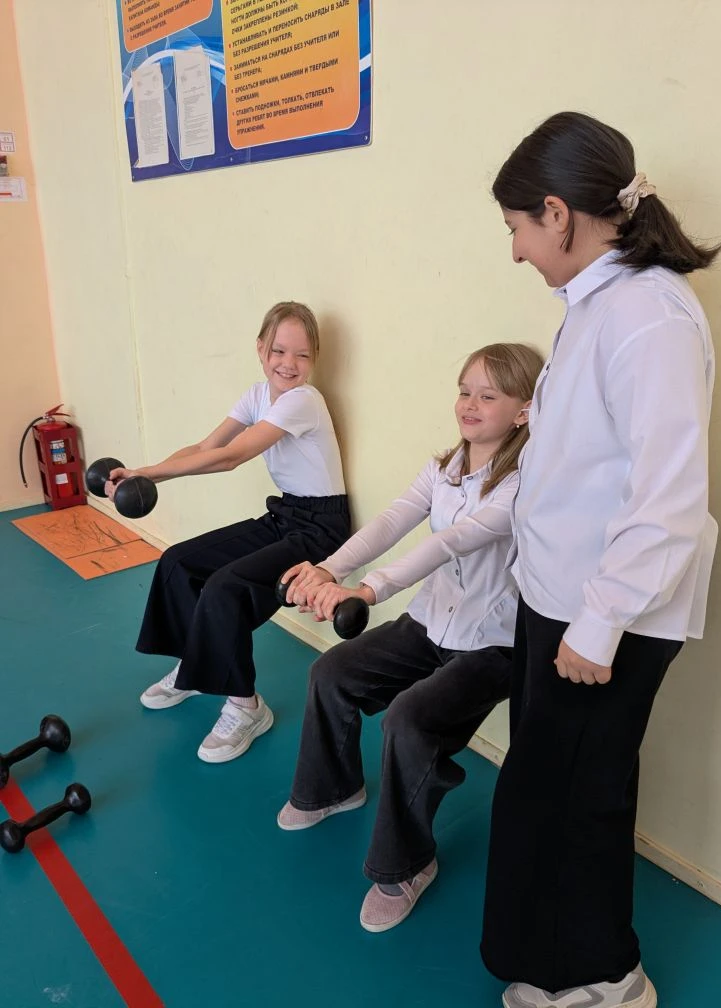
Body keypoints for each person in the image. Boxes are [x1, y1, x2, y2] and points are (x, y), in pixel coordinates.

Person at [480, 112, 721, 1008]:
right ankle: (560, 960)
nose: (515, 249)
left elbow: (669, 496)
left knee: (580, 799)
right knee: (552, 788)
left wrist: (599, 622)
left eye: (517, 227)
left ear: (558, 214)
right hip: (565, 603)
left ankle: (607, 980)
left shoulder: (649, 317)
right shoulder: (598, 304)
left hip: (602, 618)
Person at [276, 342, 543, 933]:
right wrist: (328, 570)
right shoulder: (445, 467)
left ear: (524, 410)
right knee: (331, 672)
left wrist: (369, 591)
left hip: (493, 643)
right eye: (464, 390)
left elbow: (451, 541)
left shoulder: (526, 482)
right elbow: (393, 520)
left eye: (488, 395)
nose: (469, 404)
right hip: (429, 622)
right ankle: (333, 788)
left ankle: (406, 865)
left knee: (409, 719)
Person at [109, 301, 351, 763]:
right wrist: (142, 473)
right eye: (279, 351)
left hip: (321, 528)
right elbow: (207, 446)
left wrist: (148, 476)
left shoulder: (304, 400)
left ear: (314, 358)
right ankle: (195, 668)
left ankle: (247, 707)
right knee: (178, 562)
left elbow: (230, 457)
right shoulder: (257, 396)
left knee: (225, 586)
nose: (289, 363)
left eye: (302, 355)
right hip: (286, 514)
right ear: (260, 349)